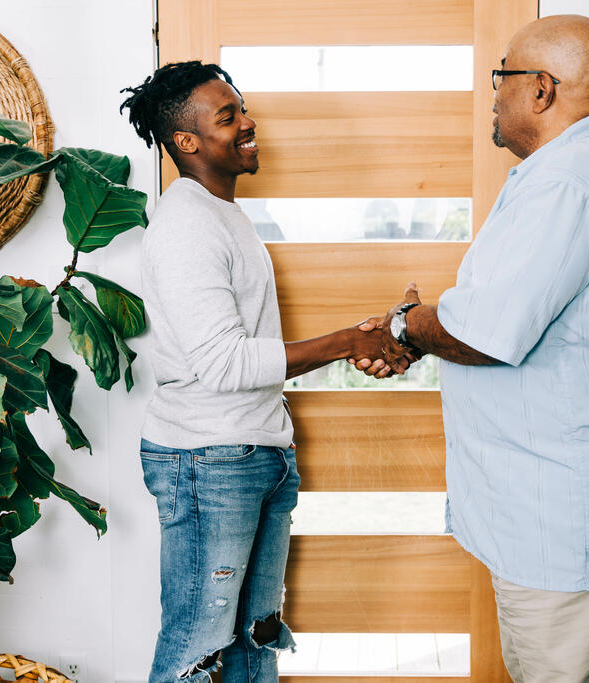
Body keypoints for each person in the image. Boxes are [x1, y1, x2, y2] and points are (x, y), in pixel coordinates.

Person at [356, 15, 589, 682]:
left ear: (541, 89)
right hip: (552, 518)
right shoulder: (578, 171)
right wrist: (422, 323)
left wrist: (405, 326)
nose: (491, 94)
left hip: (556, 538)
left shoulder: (568, 183)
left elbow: (485, 331)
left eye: (499, 76)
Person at [120, 62, 404, 683]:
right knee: (196, 649)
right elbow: (223, 363)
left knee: (256, 641)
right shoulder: (188, 224)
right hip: (208, 459)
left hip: (253, 452)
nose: (249, 124)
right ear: (186, 141)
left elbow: (245, 347)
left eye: (242, 109)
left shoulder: (225, 216)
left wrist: (357, 340)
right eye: (229, 117)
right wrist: (344, 343)